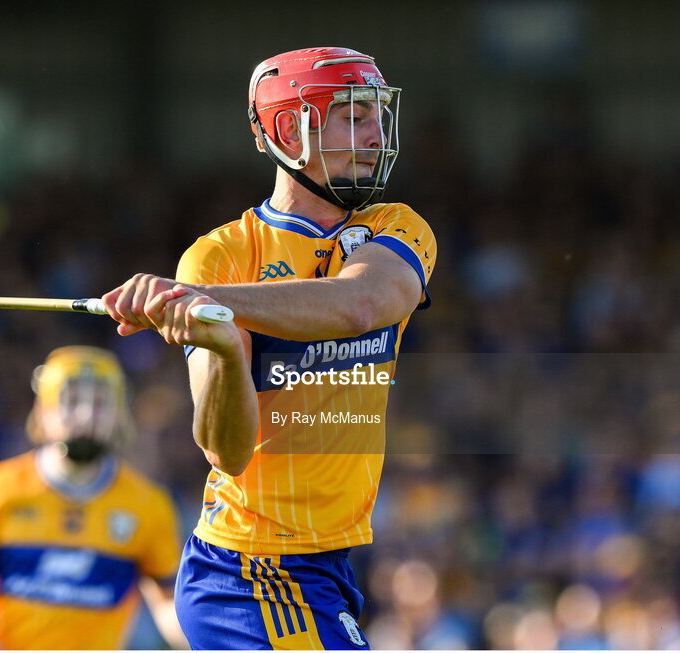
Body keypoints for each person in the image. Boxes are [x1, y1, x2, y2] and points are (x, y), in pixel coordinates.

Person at [103, 46, 436, 649]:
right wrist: (228, 352)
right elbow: (225, 453)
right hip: (250, 570)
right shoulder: (218, 257)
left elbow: (359, 305)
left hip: (327, 561)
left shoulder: (398, 228)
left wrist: (213, 302)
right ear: (289, 129)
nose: (376, 135)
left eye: (378, 117)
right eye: (354, 118)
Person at [0, 346, 186, 650]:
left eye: (101, 404)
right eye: (72, 401)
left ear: (119, 416)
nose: (87, 415)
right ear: (43, 411)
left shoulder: (148, 505)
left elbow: (169, 606)